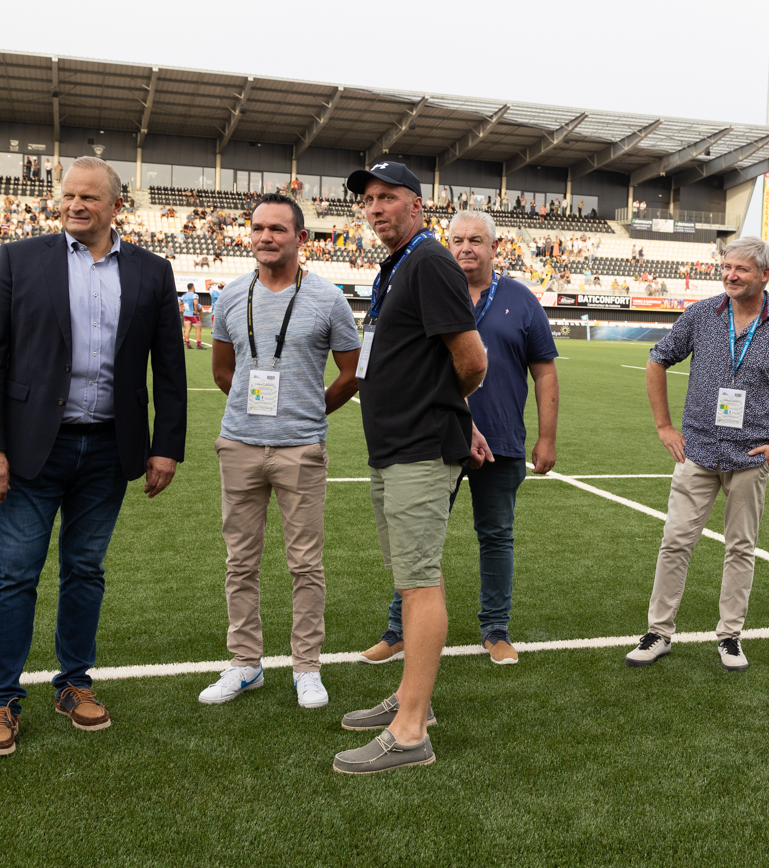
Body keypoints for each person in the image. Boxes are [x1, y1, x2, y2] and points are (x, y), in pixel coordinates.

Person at [0, 156, 187, 757]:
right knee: (15, 574)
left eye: (89, 197)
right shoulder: (19, 259)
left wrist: (166, 447)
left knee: (85, 571)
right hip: (31, 449)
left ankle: (74, 683)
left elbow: (168, 369)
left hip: (109, 450)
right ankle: (1, 700)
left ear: (118, 206)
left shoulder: (151, 271)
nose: (75, 205)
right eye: (68, 195)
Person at [332, 161, 487, 775]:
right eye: (369, 199)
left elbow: (471, 360)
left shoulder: (430, 261)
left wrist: (443, 409)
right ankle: (410, 698)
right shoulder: (397, 265)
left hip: (420, 446)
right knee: (414, 575)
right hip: (396, 446)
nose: (375, 208)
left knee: (418, 580)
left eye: (388, 197)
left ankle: (411, 730)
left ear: (418, 207)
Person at [358, 209, 559, 668]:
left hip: (502, 441)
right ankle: (399, 630)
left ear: (494, 247)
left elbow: (545, 372)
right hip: (435, 438)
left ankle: (496, 629)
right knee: (420, 540)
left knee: (496, 536)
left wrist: (547, 438)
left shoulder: (521, 300)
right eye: (457, 240)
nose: (465, 247)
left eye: (475, 240)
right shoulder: (430, 285)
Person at [199, 193, 361, 710]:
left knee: (305, 565)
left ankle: (306, 668)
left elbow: (350, 373)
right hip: (239, 444)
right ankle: (245, 665)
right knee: (239, 562)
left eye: (277, 229)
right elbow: (224, 373)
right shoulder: (230, 296)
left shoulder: (328, 298)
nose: (265, 237)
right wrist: (255, 414)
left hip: (301, 449)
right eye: (258, 229)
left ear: (300, 238)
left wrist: (309, 412)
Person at [625, 236, 769, 671]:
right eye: (727, 267)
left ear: (765, 275)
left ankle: (730, 636)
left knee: (740, 547)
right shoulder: (700, 315)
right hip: (698, 450)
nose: (730, 275)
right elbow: (657, 360)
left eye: (741, 269)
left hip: (752, 456)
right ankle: (658, 632)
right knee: (675, 541)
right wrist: (664, 427)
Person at [179, 283, 205, 349]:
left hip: (186, 314)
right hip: (193, 314)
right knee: (198, 329)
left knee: (187, 329)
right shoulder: (194, 295)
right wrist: (196, 311)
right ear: (193, 287)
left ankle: (188, 344)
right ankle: (198, 345)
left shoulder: (184, 296)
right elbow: (196, 303)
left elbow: (179, 303)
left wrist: (182, 310)